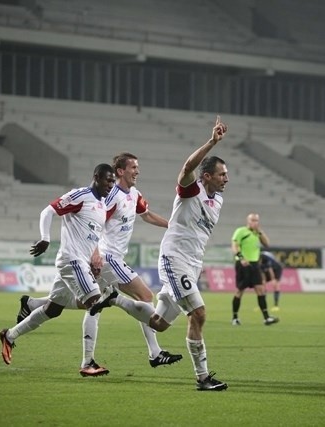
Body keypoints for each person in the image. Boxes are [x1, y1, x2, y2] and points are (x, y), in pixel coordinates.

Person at [90, 116, 230, 391]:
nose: (227, 178)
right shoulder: (192, 190)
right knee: (199, 313)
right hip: (174, 259)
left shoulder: (219, 199)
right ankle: (202, 378)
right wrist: (211, 142)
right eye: (222, 174)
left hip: (192, 264)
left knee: (159, 323)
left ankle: (115, 299)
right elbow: (187, 167)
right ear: (206, 176)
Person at [17, 153, 182, 375]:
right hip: (107, 257)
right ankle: (154, 352)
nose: (137, 171)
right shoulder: (109, 196)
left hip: (111, 257)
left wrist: (172, 226)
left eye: (138, 167)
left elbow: (147, 215)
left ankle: (34, 305)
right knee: (143, 296)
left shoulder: (134, 194)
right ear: (120, 171)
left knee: (82, 302)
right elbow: (94, 225)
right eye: (133, 167)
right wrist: (95, 252)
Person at [0, 163, 116, 372]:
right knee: (95, 303)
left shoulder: (102, 204)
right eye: (108, 179)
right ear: (96, 177)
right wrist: (45, 238)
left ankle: (9, 335)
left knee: (53, 310)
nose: (111, 184)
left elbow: (90, 236)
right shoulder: (80, 196)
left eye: (113, 180)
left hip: (80, 261)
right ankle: (88, 363)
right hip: (72, 260)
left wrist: (93, 257)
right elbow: (48, 211)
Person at [230, 213, 279, 326]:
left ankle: (266, 318)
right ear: (248, 221)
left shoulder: (257, 233)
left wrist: (260, 231)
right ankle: (235, 317)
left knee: (260, 289)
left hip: (255, 264)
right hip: (243, 264)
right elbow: (234, 245)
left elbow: (267, 243)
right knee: (240, 290)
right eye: (253, 220)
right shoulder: (241, 231)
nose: (255, 222)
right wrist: (241, 258)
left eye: (257, 220)